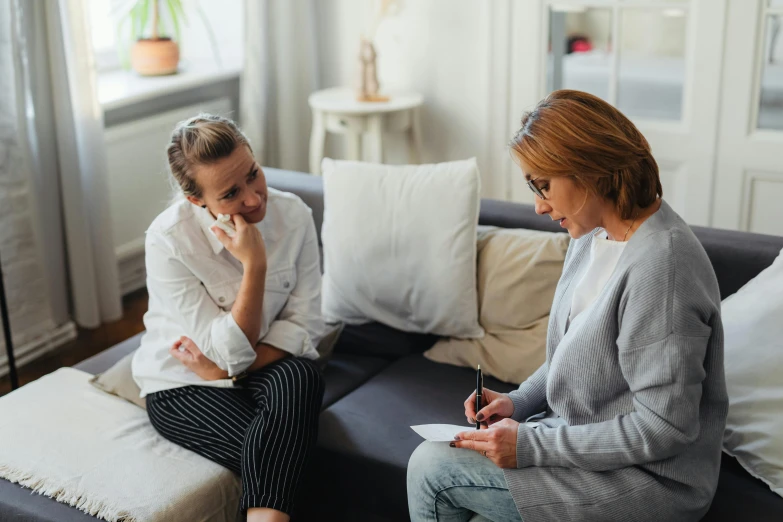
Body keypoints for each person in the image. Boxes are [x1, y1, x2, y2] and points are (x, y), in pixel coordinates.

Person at [407, 90, 728, 522]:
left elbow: (664, 429)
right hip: (585, 446)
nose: (539, 206)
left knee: (433, 467)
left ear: (590, 168)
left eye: (544, 185)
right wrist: (517, 402)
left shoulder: (663, 269)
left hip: (651, 480)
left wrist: (529, 445)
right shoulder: (593, 235)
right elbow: (576, 355)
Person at [131, 114, 326, 522]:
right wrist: (254, 266)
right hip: (182, 384)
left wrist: (223, 367)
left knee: (303, 375)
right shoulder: (168, 241)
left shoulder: (295, 216)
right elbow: (231, 355)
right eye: (231, 193)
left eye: (254, 174)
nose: (254, 199)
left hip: (262, 367)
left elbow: (305, 324)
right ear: (197, 201)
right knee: (294, 463)